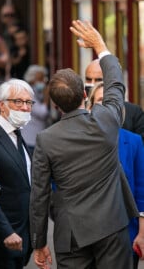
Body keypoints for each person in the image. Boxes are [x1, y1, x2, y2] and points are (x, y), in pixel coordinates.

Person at [29, 20, 139, 269]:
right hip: (111, 225)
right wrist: (100, 46)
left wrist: (39, 241)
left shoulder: (45, 139)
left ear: (55, 106)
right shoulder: (106, 120)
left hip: (70, 233)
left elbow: (39, 195)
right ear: (84, 96)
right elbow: (115, 84)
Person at [87, 81, 144, 269]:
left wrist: (142, 234)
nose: (108, 105)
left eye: (113, 101)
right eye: (101, 100)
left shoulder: (134, 141)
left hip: (127, 234)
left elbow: (141, 190)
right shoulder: (79, 140)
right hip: (88, 235)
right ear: (90, 106)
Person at [0, 78, 34, 269]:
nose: (24, 108)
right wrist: (6, 231)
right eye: (18, 101)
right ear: (2, 106)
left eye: (28, 102)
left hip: (23, 236)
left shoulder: (17, 134)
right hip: (2, 240)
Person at [85, 58, 144, 141]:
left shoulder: (133, 113)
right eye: (88, 79)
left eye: (98, 80)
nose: (92, 84)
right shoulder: (80, 111)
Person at [21, 64, 51, 154]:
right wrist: (46, 97)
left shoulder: (37, 92)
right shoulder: (27, 94)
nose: (43, 82)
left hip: (36, 139)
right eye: (40, 79)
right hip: (30, 139)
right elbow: (43, 113)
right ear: (32, 79)